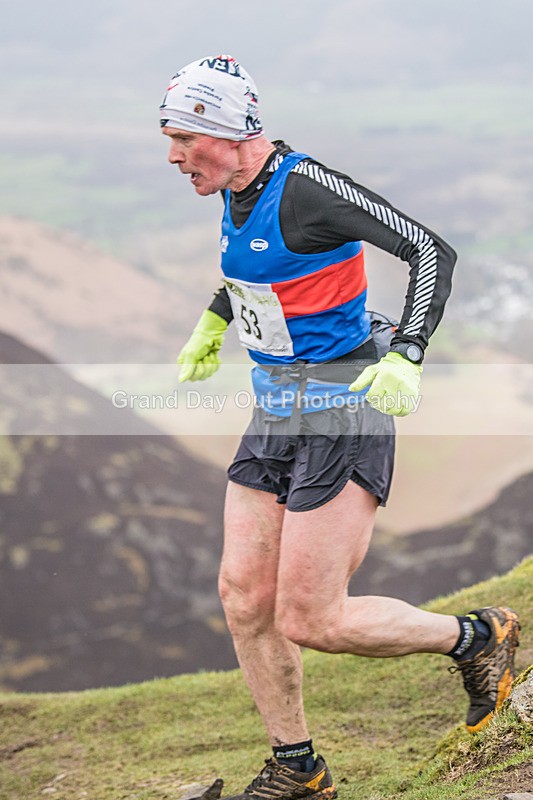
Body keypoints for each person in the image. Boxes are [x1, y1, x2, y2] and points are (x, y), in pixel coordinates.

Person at [160, 55, 520, 800]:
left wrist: (408, 356)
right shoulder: (233, 188)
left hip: (341, 413)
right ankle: (298, 769)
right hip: (273, 413)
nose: (171, 156)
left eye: (180, 137)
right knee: (242, 596)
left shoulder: (306, 187)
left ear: (225, 132)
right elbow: (259, 270)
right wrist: (213, 321)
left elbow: (430, 250)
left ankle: (478, 638)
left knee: (309, 617)